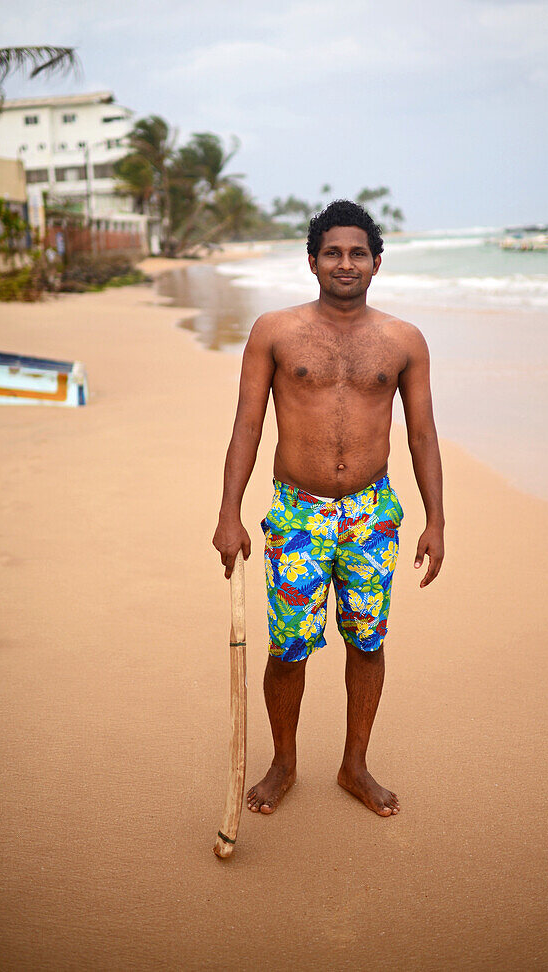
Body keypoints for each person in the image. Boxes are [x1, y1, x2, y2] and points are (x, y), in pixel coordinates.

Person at [212, 199, 445, 818]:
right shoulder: (275, 331)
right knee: (287, 648)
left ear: (376, 264)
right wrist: (229, 513)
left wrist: (437, 521)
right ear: (312, 261)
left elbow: (422, 434)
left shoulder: (404, 340)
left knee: (367, 641)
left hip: (372, 513)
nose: (347, 263)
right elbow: (247, 425)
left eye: (359, 253)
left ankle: (354, 765)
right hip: (297, 513)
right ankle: (283, 763)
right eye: (334, 253)